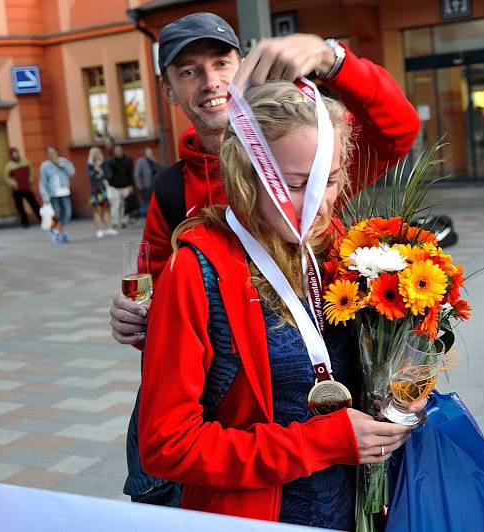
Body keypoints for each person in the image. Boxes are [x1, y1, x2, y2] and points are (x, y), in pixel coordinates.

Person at [115, 13, 419, 506]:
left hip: (350, 497)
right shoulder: (176, 201)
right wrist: (141, 318)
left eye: (221, 63)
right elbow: (170, 411)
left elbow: (398, 127)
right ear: (167, 90)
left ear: (246, 65)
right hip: (255, 496)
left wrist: (332, 57)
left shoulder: (334, 237)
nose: (317, 201)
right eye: (188, 71)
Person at [39, 146, 74, 243]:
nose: (52, 154)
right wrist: (45, 196)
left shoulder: (63, 161)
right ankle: (59, 233)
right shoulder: (45, 166)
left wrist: (61, 165)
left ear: (57, 152)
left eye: (53, 152)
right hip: (53, 194)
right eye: (49, 152)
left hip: (65, 192)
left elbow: (71, 172)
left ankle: (56, 230)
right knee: (57, 214)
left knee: (67, 214)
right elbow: (43, 182)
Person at [3, 147, 41, 228]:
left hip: (27, 187)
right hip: (17, 189)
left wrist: (30, 180)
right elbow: (6, 177)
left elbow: (31, 171)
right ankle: (25, 222)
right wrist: (13, 183)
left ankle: (41, 219)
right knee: (20, 206)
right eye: (14, 154)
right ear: (11, 155)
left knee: (34, 204)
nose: (16, 155)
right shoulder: (8, 166)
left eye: (16, 153)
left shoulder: (26, 161)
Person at [86, 146, 117, 238]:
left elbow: (109, 175)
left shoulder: (105, 163)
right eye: (94, 153)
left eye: (97, 153)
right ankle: (100, 230)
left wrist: (100, 171)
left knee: (107, 209)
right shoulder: (90, 165)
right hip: (95, 191)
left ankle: (109, 228)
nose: (96, 155)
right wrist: (97, 170)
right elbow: (92, 176)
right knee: (97, 210)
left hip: (104, 190)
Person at [105, 145, 134, 229]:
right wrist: (110, 184)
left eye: (120, 150)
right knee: (115, 205)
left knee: (124, 205)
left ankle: (123, 221)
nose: (119, 152)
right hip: (114, 187)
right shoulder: (110, 161)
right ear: (114, 152)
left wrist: (131, 185)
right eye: (117, 150)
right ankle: (115, 222)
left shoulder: (127, 160)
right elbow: (108, 174)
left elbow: (130, 173)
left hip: (125, 186)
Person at [134, 147, 159, 217]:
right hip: (145, 186)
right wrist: (140, 186)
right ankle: (145, 216)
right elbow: (137, 174)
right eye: (148, 152)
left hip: (154, 186)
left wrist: (155, 162)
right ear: (144, 153)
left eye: (151, 152)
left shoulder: (153, 161)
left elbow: (159, 170)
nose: (150, 154)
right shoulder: (140, 161)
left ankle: (153, 216)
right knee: (146, 203)